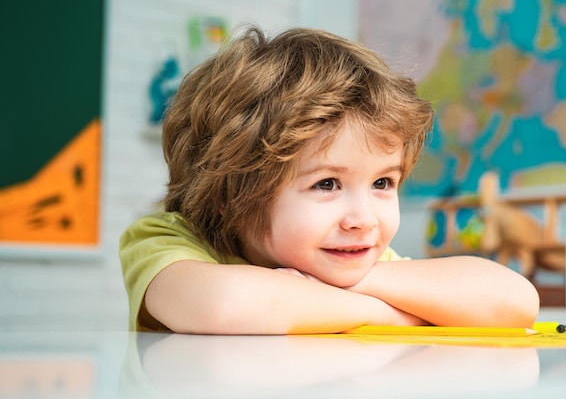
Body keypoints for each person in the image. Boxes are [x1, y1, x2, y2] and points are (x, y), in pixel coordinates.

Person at [119, 25, 539, 334]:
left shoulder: (350, 258)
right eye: (327, 184)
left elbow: (515, 300)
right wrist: (393, 313)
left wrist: (356, 282)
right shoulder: (166, 239)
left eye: (382, 184)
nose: (363, 219)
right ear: (230, 195)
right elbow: (221, 305)